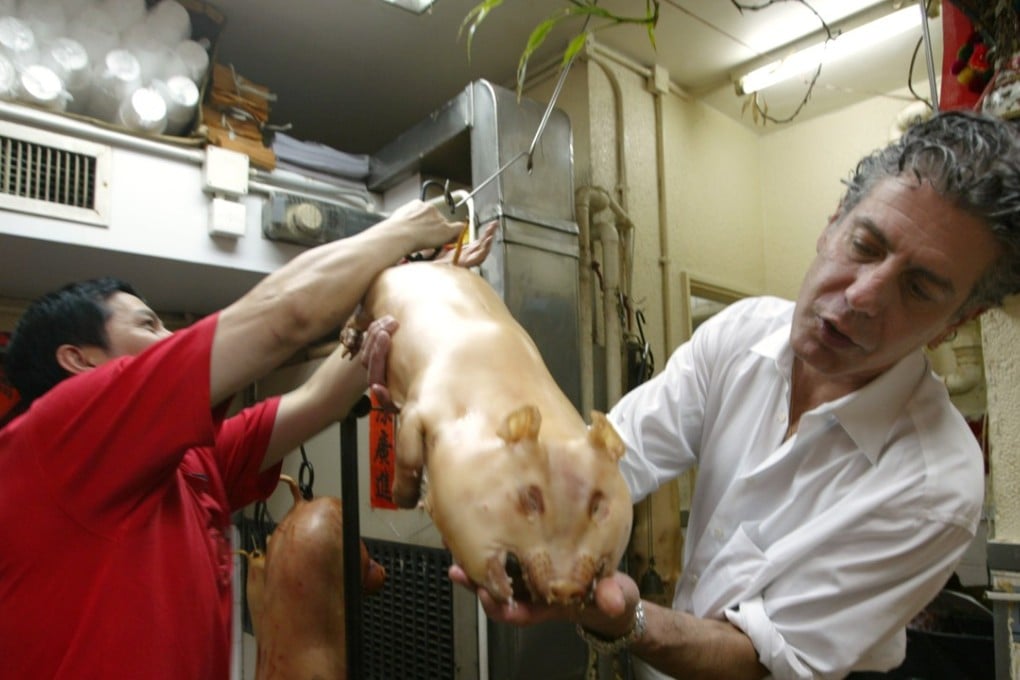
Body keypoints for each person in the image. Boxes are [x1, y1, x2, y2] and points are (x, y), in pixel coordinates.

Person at [447, 109, 1020, 679]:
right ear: (833, 223)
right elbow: (612, 456)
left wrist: (624, 619)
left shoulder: (934, 484)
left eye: (918, 288)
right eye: (866, 245)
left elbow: (766, 660)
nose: (864, 296)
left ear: (955, 323)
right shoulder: (744, 333)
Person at [0, 200, 494, 680]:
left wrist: (410, 280)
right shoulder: (56, 438)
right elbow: (284, 318)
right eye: (148, 325)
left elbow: (320, 398)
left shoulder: (185, 462)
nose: (170, 337)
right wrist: (398, 230)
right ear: (78, 359)